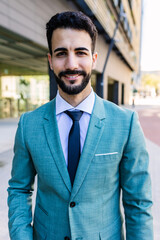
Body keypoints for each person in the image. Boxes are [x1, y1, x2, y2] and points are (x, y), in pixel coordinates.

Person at [8, 11, 153, 240]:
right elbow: (19, 189)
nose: (71, 64)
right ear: (50, 61)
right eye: (61, 53)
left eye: (80, 52)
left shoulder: (125, 124)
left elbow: (138, 204)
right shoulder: (29, 125)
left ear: (94, 59)